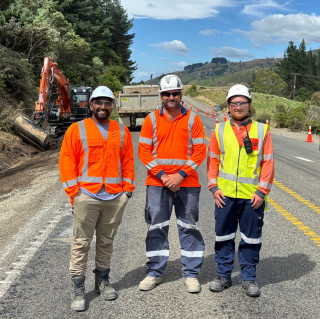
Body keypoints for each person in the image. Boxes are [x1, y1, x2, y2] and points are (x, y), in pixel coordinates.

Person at [59, 86, 135, 311]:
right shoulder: (76, 129)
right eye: (99, 103)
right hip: (87, 196)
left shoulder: (121, 131)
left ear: (113, 106)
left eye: (107, 103)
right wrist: (74, 193)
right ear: (91, 104)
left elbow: (129, 161)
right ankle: (78, 287)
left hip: (114, 197)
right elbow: (66, 161)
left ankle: (102, 280)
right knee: (81, 243)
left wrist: (127, 190)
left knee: (106, 241)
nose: (103, 107)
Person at [138, 74, 206, 293]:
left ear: (181, 94)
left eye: (174, 93)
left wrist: (179, 176)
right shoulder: (151, 120)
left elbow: (199, 152)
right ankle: (155, 272)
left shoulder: (193, 120)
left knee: (189, 228)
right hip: (158, 184)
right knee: (157, 227)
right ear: (161, 95)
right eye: (166, 94)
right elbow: (144, 152)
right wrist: (165, 177)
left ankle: (191, 274)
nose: (171, 97)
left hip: (187, 184)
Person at [207, 84, 274, 297]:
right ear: (228, 106)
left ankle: (248, 278)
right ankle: (223, 276)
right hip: (224, 195)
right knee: (223, 237)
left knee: (251, 238)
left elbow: (268, 162)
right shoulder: (219, 129)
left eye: (242, 102)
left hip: (251, 197)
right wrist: (213, 187)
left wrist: (262, 191)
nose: (238, 106)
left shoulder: (262, 130)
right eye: (234, 103)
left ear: (249, 105)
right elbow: (213, 161)